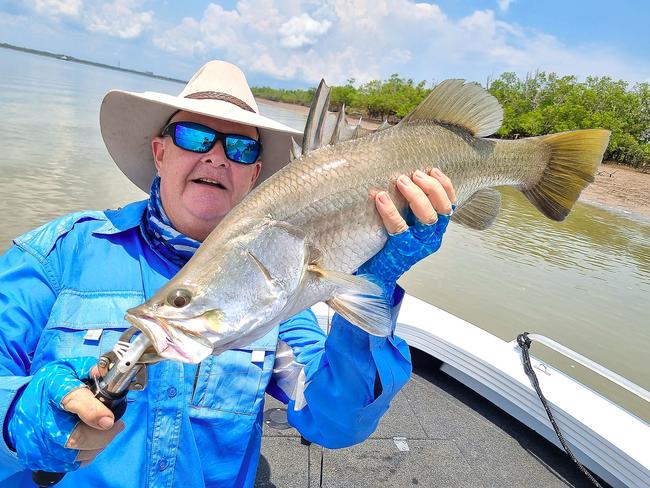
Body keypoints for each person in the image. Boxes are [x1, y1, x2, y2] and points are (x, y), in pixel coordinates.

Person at [0, 60, 456, 487]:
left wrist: (374, 285)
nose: (217, 157)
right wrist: (16, 414)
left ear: (255, 173)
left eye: (240, 148)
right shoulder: (58, 254)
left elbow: (335, 421)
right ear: (159, 153)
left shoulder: (278, 289)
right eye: (194, 137)